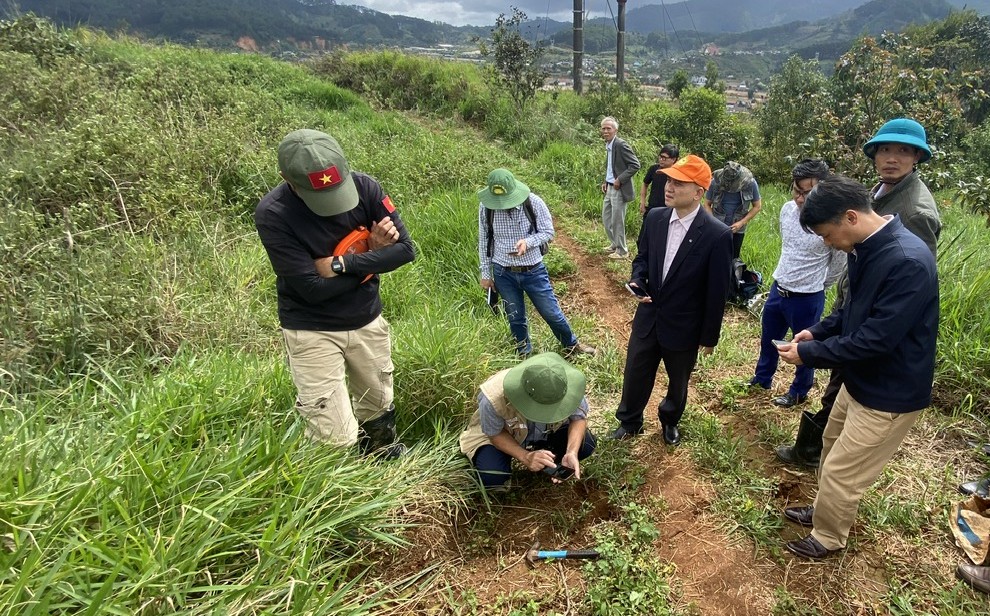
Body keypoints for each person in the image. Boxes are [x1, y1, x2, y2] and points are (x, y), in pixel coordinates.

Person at [777, 175, 938, 559]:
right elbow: (851, 312)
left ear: (850, 217)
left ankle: (829, 536)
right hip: (860, 380)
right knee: (831, 448)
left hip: (889, 392)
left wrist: (811, 356)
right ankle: (824, 511)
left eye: (827, 234)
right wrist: (815, 332)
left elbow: (877, 339)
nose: (826, 243)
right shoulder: (865, 248)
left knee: (843, 471)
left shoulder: (907, 261)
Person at [776, 117, 941, 467]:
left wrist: (814, 350)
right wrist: (824, 330)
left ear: (917, 158)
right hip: (855, 307)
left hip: (877, 332)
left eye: (903, 151)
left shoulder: (916, 212)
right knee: (837, 399)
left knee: (842, 401)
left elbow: (905, 291)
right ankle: (819, 463)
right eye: (884, 150)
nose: (891, 158)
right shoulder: (876, 194)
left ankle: (821, 466)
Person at [255, 129, 415, 458]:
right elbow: (312, 291)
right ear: (288, 180)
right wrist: (374, 256)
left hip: (366, 319)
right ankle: (338, 496)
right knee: (334, 435)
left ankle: (382, 461)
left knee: (378, 404)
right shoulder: (274, 214)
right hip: (312, 328)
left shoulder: (366, 188)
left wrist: (342, 264)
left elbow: (405, 251)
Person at [610, 155, 734, 446]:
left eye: (679, 183)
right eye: (668, 179)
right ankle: (629, 421)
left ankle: (669, 421)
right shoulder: (655, 218)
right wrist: (638, 279)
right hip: (649, 314)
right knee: (636, 370)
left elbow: (717, 292)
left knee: (678, 381)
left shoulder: (717, 235)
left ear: (698, 192)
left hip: (684, 324)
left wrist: (709, 337)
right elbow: (642, 258)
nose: (669, 186)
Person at [745, 160, 845, 465]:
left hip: (808, 296)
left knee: (804, 348)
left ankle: (799, 391)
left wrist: (817, 284)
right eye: (797, 191)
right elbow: (788, 247)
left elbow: (838, 265)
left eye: (808, 192)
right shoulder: (788, 210)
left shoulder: (831, 220)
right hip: (779, 286)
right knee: (769, 338)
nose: (801, 198)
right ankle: (762, 378)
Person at [478, 168, 596, 357]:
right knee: (515, 317)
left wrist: (528, 242)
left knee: (551, 313)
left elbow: (548, 231)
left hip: (533, 271)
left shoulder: (533, 202)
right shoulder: (486, 207)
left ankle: (572, 346)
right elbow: (484, 240)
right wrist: (485, 273)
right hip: (503, 272)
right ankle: (523, 353)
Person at [459, 352, 597, 490]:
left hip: (548, 433)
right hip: (507, 434)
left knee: (586, 445)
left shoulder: (563, 384)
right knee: (492, 476)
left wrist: (571, 451)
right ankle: (524, 461)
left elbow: (578, 418)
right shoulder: (494, 396)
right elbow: (494, 434)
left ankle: (548, 461)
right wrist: (525, 456)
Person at [600, 116, 641, 260]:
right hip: (609, 187)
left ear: (615, 130)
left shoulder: (621, 145)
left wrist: (619, 179)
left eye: (608, 128)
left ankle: (622, 251)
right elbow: (611, 165)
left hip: (619, 188)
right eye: (603, 128)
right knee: (606, 218)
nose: (605, 131)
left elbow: (635, 165)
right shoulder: (609, 145)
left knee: (617, 220)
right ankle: (614, 244)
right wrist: (606, 180)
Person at [704, 161, 762, 258]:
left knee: (733, 258)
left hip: (738, 228)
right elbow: (706, 204)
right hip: (717, 227)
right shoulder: (715, 182)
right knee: (714, 257)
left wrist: (742, 223)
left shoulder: (750, 183)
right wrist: (714, 223)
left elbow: (757, 206)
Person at [640, 144, 679, 218]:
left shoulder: (677, 173)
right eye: (660, 157)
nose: (661, 160)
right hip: (652, 208)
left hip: (668, 210)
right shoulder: (654, 169)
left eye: (664, 158)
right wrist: (642, 202)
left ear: (673, 159)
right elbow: (645, 184)